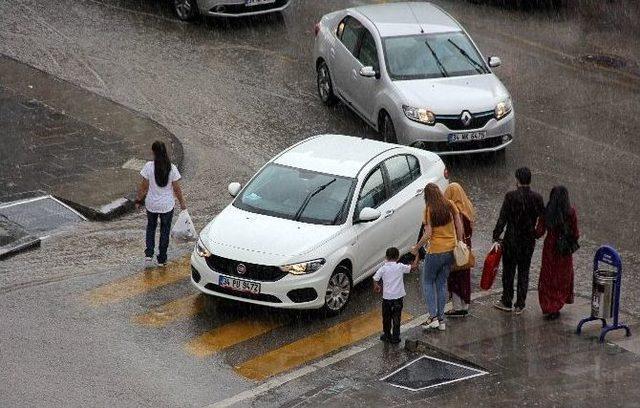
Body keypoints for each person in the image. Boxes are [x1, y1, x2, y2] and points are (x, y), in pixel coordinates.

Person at [411, 183, 464, 331]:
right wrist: (458, 242)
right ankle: (441, 320)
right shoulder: (450, 204)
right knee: (441, 284)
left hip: (435, 251)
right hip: (450, 250)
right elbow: (459, 225)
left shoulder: (429, 210)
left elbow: (428, 234)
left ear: (427, 197)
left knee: (427, 282)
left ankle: (433, 317)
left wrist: (416, 248)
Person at [492, 167, 544, 314]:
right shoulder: (537, 198)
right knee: (524, 272)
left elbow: (502, 218)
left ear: (517, 180)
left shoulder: (510, 197)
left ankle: (507, 300)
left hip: (511, 240)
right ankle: (520, 304)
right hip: (528, 241)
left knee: (508, 272)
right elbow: (543, 218)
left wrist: (496, 235)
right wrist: (536, 234)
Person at [135, 141, 186, 267]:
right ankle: (162, 259)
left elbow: (143, 187)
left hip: (151, 205)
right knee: (165, 230)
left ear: (154, 152)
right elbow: (177, 189)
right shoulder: (172, 168)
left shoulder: (148, 167)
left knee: (151, 228)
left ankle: (148, 255)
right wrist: (182, 203)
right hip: (167, 205)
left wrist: (138, 200)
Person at [537, 186, 579, 320]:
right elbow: (575, 233)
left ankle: (548, 305)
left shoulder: (547, 211)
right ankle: (557, 304)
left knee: (548, 276)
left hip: (550, 247)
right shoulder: (570, 212)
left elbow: (539, 231)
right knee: (561, 277)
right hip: (563, 250)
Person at [444, 182, 476, 317]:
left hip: (457, 246)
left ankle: (457, 307)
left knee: (455, 275)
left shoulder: (454, 211)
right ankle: (465, 304)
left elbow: (455, 230)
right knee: (465, 275)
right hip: (466, 246)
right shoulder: (467, 206)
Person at [373, 247, 412, 344]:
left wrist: (376, 286)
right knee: (396, 317)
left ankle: (387, 335)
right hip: (398, 297)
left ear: (386, 257)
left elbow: (375, 278)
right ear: (398, 257)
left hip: (387, 298)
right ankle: (395, 337)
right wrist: (416, 256)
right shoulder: (400, 266)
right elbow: (412, 267)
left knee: (386, 318)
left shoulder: (383, 268)